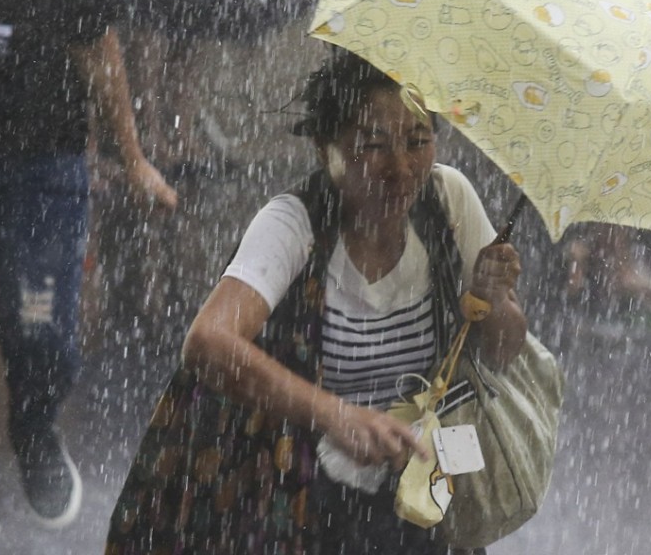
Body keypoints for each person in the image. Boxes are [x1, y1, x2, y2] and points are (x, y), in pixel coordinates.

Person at [106, 49, 527, 553]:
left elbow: (503, 350)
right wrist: (336, 416)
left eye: (419, 141)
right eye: (375, 145)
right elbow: (207, 343)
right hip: (302, 495)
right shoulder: (292, 223)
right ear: (327, 148)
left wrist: (491, 299)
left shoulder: (448, 201)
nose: (401, 167)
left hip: (422, 495)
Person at [0, 0, 175, 539]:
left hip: (42, 164)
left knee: (42, 329)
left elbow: (99, 53)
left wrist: (132, 159)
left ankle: (35, 426)